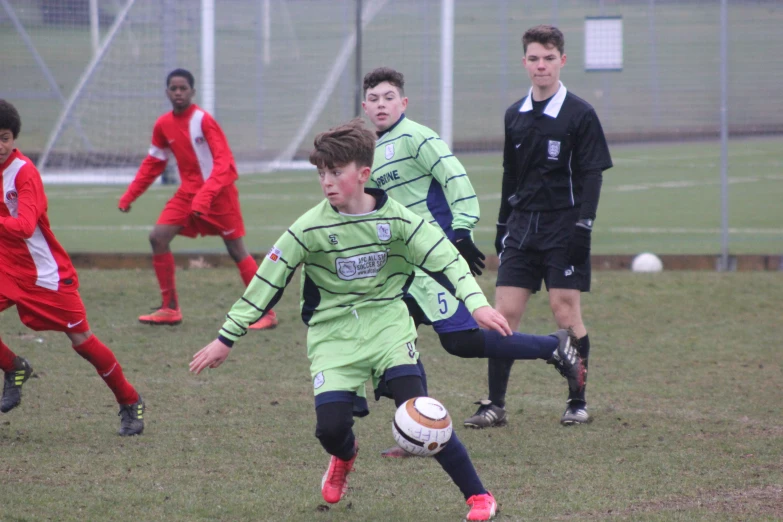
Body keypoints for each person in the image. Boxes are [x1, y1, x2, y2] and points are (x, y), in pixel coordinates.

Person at [190, 119, 502, 520]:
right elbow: (266, 282)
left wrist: (476, 303)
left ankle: (478, 496)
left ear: (363, 174)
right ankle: (345, 456)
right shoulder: (309, 227)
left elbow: (446, 259)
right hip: (332, 334)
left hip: (388, 323)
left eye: (336, 172)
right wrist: (226, 338)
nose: (327, 182)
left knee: (419, 411)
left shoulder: (401, 220)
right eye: (322, 173)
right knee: (331, 430)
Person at [361, 67, 585, 444]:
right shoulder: (370, 150)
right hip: (402, 269)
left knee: (460, 342)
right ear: (365, 106)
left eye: (388, 97)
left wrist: (461, 229)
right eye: (373, 99)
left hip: (433, 258)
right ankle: (416, 432)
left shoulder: (417, 138)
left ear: (403, 102)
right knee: (395, 342)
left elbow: (454, 177)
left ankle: (553, 345)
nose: (381, 104)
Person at [467, 25, 613, 428]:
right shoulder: (514, 115)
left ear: (562, 61)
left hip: (564, 225)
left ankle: (576, 400)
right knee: (503, 314)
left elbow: (592, 175)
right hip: (521, 227)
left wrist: (584, 224)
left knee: (564, 312)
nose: (541, 65)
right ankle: (495, 405)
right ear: (524, 62)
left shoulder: (579, 113)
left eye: (549, 58)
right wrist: (501, 222)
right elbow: (509, 175)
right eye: (534, 58)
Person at [0, 99, 144, 436]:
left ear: (14, 138)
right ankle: (14, 367)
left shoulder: (24, 173)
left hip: (44, 274)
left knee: (82, 341)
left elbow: (23, 226)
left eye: (4, 137)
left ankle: (130, 400)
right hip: (6, 269)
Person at [118, 68, 277, 330]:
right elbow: (153, 163)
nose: (178, 92)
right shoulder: (163, 125)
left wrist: (207, 195)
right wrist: (130, 195)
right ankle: (170, 308)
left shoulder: (203, 120)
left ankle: (267, 312)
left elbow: (224, 162)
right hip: (188, 195)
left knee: (236, 250)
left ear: (192, 91)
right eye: (173, 88)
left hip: (219, 194)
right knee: (158, 237)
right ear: (167, 92)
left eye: (183, 88)